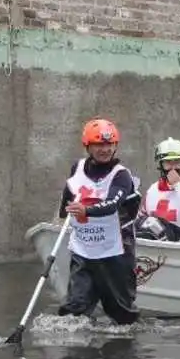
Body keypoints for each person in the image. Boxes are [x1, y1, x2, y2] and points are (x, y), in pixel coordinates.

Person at [56, 118, 142, 325]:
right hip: (84, 250)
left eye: (109, 144)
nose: (104, 149)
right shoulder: (77, 168)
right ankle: (75, 352)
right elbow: (69, 193)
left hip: (116, 251)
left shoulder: (121, 175)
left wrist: (86, 209)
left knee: (121, 315)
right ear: (88, 146)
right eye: (99, 145)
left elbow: (112, 204)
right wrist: (62, 214)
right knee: (75, 308)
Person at [138, 137, 180, 242]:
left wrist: (178, 185)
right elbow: (142, 220)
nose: (173, 168)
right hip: (156, 245)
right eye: (168, 163)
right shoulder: (153, 189)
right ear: (161, 165)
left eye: (177, 162)